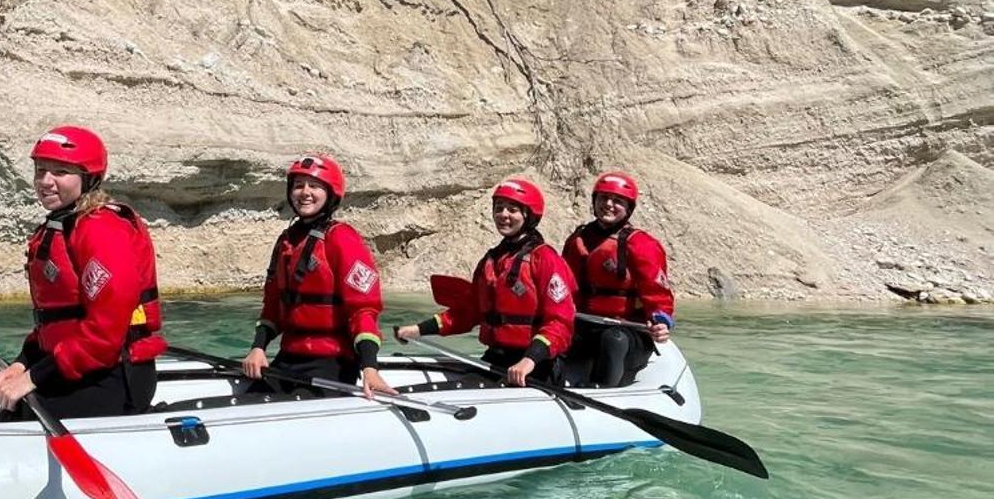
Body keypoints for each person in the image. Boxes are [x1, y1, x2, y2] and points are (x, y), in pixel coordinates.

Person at [0, 126, 167, 420]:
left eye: (60, 172)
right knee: (10, 413)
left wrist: (34, 378)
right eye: (41, 170)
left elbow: (105, 333)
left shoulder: (100, 228)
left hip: (111, 377)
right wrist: (23, 363)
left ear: (88, 179)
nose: (45, 181)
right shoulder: (66, 224)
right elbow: (57, 320)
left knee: (15, 418)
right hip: (72, 368)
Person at [240, 154, 399, 402]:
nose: (305, 192)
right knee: (250, 402)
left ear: (330, 193)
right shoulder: (286, 241)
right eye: (298, 185)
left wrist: (370, 367)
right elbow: (272, 306)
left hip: (332, 362)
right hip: (288, 357)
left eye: (314, 186)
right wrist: (258, 348)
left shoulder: (342, 238)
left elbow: (363, 310)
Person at [394, 177, 575, 387]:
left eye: (512, 210)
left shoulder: (545, 259)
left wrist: (529, 359)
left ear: (528, 215)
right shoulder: (491, 260)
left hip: (537, 364)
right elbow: (467, 312)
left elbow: (560, 324)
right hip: (497, 358)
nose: (503, 215)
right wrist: (417, 330)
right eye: (499, 208)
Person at [561, 170, 674, 388]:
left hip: (628, 333)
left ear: (628, 208)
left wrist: (661, 321)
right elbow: (563, 287)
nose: (609, 204)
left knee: (613, 339)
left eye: (617, 201)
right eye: (603, 198)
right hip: (585, 325)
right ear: (594, 201)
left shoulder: (641, 244)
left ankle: (604, 392)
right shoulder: (577, 241)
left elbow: (658, 294)